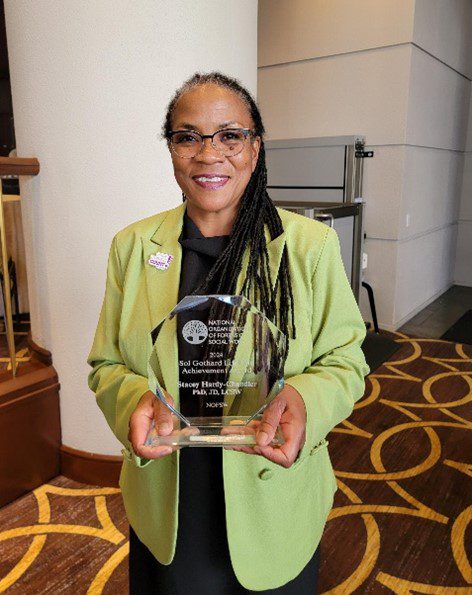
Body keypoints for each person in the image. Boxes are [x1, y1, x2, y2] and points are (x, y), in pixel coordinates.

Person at [87, 72, 370, 594]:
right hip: (170, 490)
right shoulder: (132, 246)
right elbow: (106, 364)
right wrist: (133, 402)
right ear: (171, 150)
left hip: (270, 489)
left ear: (255, 149)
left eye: (229, 135)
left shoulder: (309, 247)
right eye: (187, 135)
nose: (207, 153)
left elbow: (347, 359)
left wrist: (305, 398)